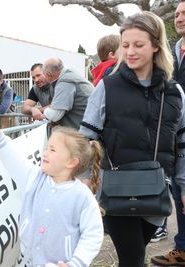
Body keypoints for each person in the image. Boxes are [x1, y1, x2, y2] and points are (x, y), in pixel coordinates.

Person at [79, 11, 185, 267]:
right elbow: (86, 138)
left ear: (156, 45)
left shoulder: (175, 92)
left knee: (135, 253)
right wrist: (83, 182)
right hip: (115, 191)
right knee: (133, 257)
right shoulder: (107, 87)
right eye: (125, 45)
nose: (130, 51)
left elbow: (182, 143)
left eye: (139, 45)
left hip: (156, 193)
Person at [0, 103, 104, 267]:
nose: (45, 153)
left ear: (71, 162)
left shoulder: (82, 197)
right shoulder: (34, 178)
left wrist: (76, 263)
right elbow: (11, 156)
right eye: (46, 147)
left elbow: (93, 234)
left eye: (52, 150)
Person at [151, 0, 185, 265]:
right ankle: (182, 247)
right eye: (177, 14)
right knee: (179, 188)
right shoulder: (174, 50)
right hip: (178, 130)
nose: (180, 18)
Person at [42, 58, 93, 129]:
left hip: (83, 132)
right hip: (91, 125)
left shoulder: (64, 83)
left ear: (48, 75)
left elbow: (55, 115)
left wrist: (45, 112)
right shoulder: (72, 73)